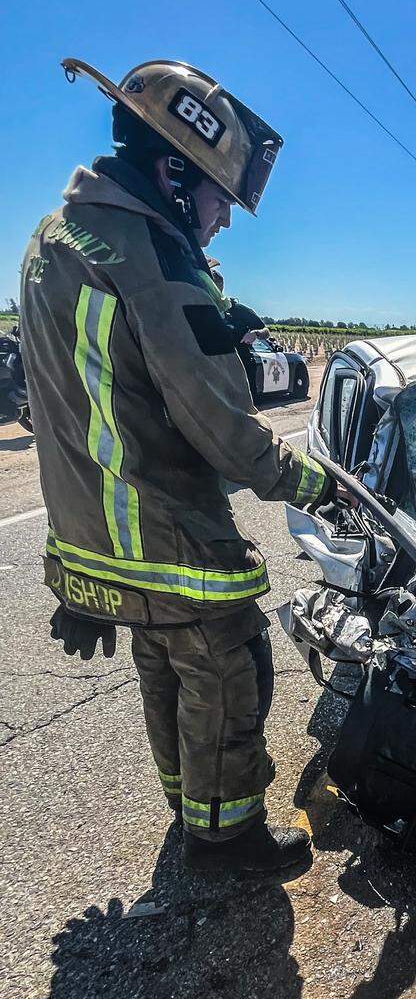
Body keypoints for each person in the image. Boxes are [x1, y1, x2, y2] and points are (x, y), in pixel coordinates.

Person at [20, 57, 338, 877]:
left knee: (164, 668)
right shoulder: (153, 256)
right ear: (172, 171)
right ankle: (226, 842)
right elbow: (220, 427)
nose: (223, 223)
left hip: (92, 528)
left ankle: (186, 807)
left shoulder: (55, 240)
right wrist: (316, 485)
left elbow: (80, 393)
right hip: (161, 524)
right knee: (230, 671)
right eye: (217, 199)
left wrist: (72, 573)